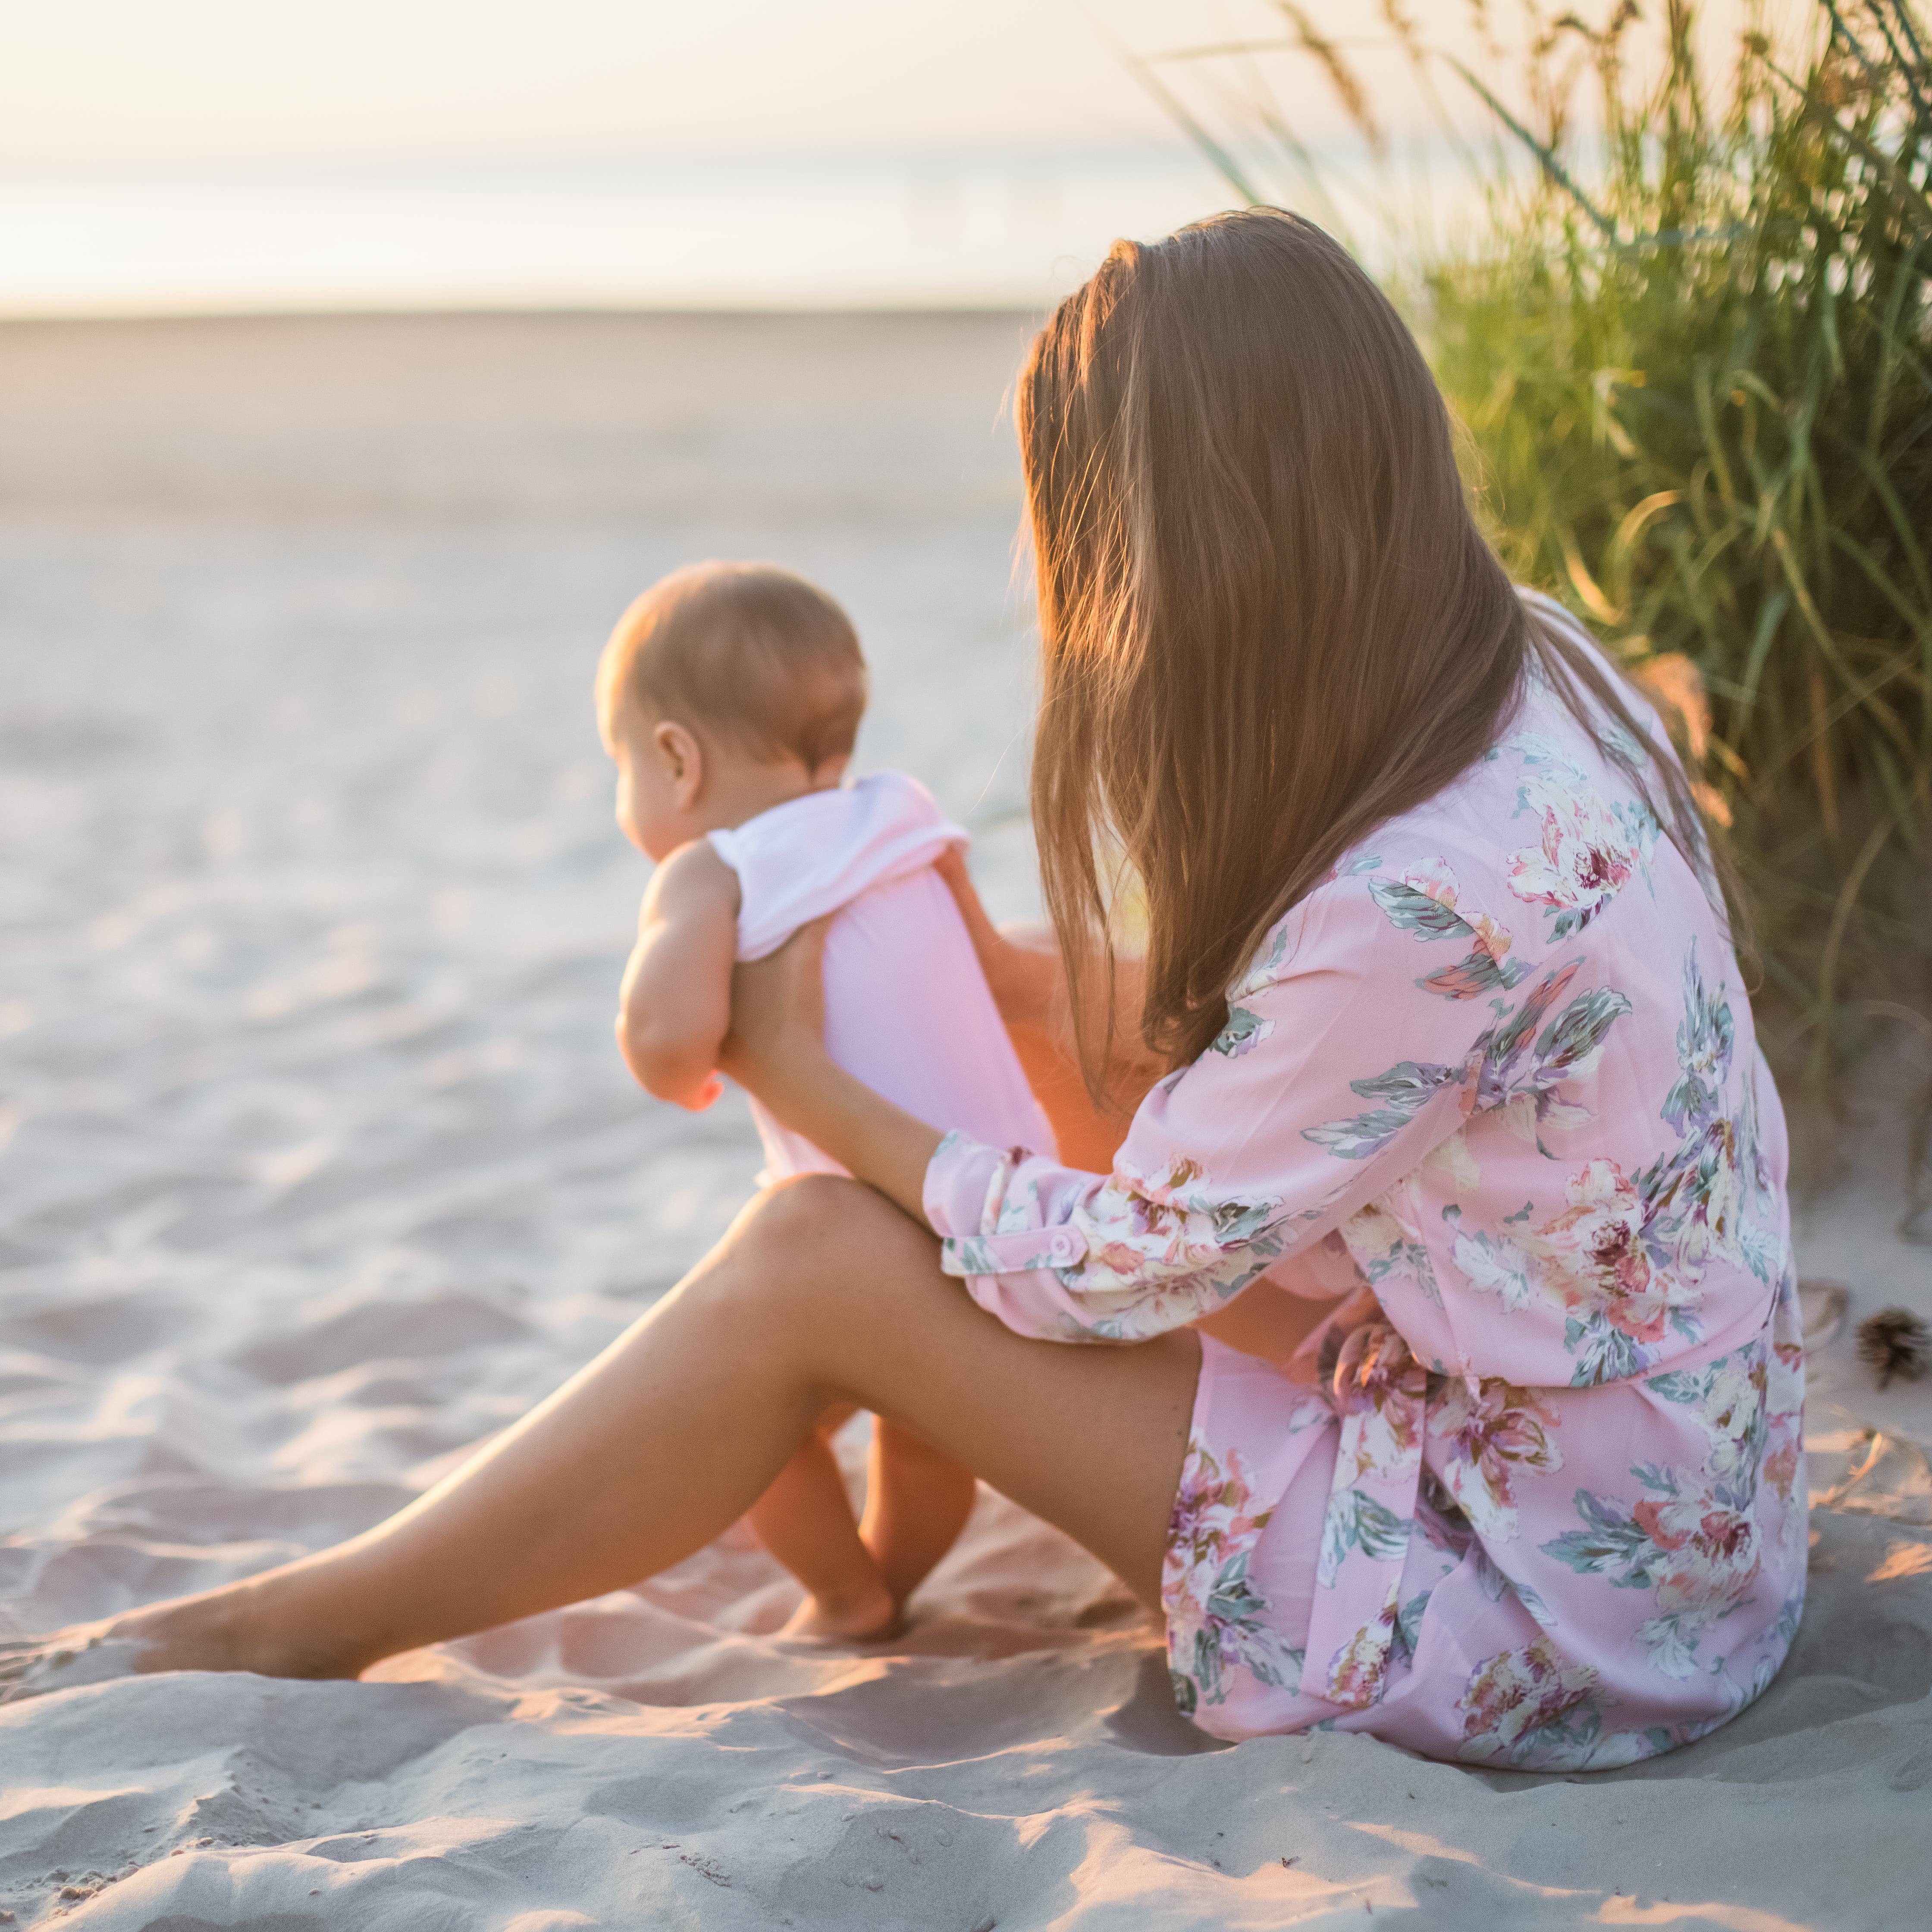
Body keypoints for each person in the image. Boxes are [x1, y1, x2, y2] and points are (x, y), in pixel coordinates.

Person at [2, 209, 1803, 1772]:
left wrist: (825, 1091)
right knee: (1028, 1056)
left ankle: (299, 1621)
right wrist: (1012, 985)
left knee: (821, 1253)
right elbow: (1292, 1083)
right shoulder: (1525, 664)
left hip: (1555, 1619)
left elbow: (1121, 1274)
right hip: (1667, 1501)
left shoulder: (1418, 892)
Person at [598, 560, 1053, 1639]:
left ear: (674, 758)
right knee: (925, 1439)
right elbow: (980, 960)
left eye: (619, 767)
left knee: (746, 1421)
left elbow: (667, 1048)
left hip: (867, 1233)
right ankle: (891, 1576)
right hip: (1009, 1205)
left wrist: (689, 1057)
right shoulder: (902, 813)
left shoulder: (712, 868)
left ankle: (846, 1594)